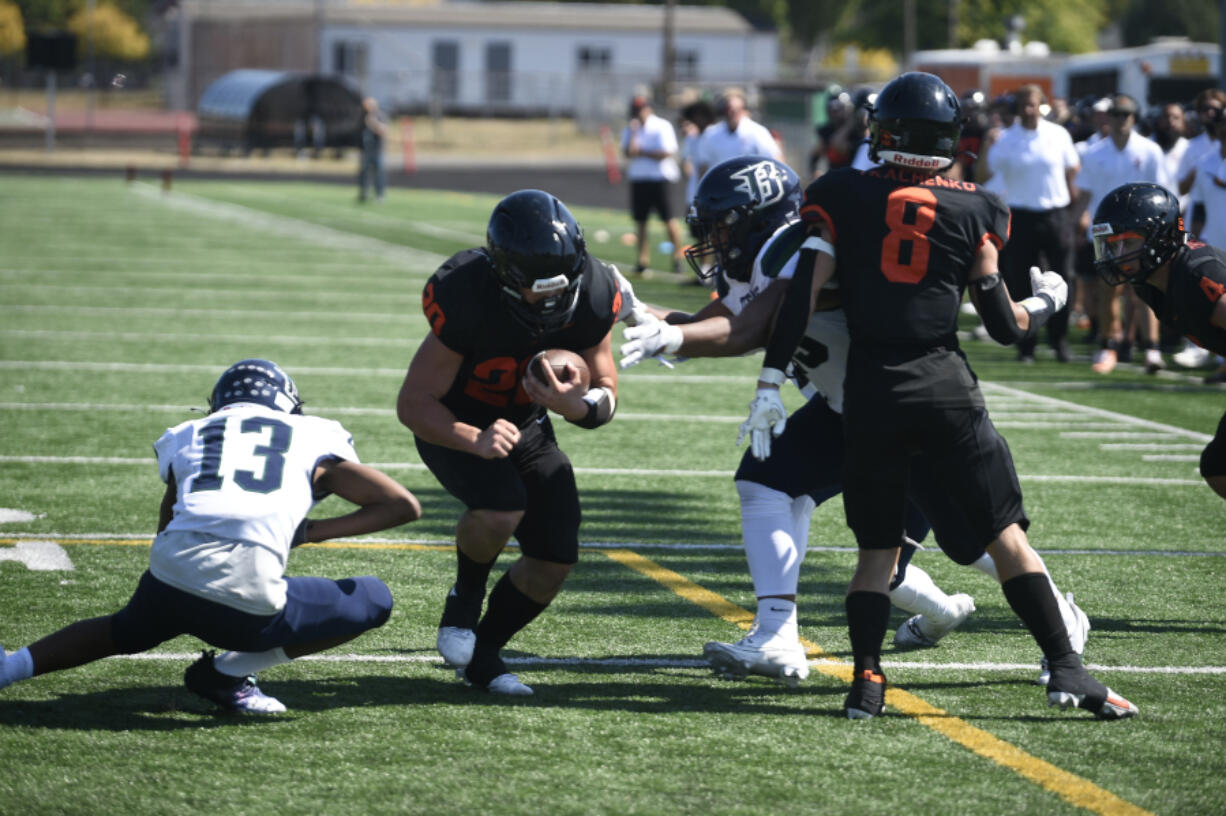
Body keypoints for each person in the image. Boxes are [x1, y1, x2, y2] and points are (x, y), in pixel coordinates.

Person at [742, 72, 1137, 721]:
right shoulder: (978, 208)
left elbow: (800, 300)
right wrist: (1046, 301)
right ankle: (1068, 670)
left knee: (877, 554)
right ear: (952, 139)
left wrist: (768, 382)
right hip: (946, 390)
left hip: (871, 393)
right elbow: (1005, 327)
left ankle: (866, 682)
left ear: (884, 132)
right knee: (1006, 539)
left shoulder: (839, 193)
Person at [621, 155, 1088, 686]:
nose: (716, 238)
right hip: (847, 410)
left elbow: (749, 328)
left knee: (971, 539)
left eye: (723, 224)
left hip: (901, 415)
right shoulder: (765, 258)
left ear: (759, 217)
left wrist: (673, 335)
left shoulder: (800, 249)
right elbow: (720, 321)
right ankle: (777, 633)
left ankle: (1058, 618)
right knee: (766, 482)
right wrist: (639, 312)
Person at [0, 359, 422, 713]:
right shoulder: (315, 435)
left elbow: (166, 522)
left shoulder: (188, 434)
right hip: (248, 602)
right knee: (372, 599)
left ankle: (12, 666)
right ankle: (227, 674)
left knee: (123, 630)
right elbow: (402, 504)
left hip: (169, 575)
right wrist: (309, 532)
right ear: (289, 404)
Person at [396, 189, 621, 696]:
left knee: (556, 556)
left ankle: (485, 655)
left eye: (559, 289)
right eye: (536, 290)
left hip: (528, 422)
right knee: (501, 507)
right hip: (456, 421)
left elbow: (606, 390)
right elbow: (414, 403)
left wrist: (577, 407)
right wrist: (473, 438)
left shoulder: (594, 289)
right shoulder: (468, 292)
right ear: (503, 275)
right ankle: (466, 593)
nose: (549, 301)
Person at [1092, 182, 1226, 498]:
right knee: (1219, 466)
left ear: (1160, 238)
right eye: (1111, 244)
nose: (1116, 254)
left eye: (1125, 243)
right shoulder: (1151, 282)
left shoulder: (1196, 274)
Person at [980, 84, 1080, 364]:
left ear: (1041, 106)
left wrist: (1076, 210)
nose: (1028, 110)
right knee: (1020, 280)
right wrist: (988, 145)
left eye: (1033, 104)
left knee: (1064, 277)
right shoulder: (1005, 138)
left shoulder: (1058, 135)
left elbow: (1073, 171)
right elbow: (984, 174)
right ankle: (1027, 345)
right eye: (1023, 104)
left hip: (1055, 214)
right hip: (1019, 216)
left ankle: (1060, 341)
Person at [1077, 94, 1168, 374]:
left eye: (1125, 114)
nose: (1120, 119)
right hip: (1106, 230)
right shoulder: (1094, 153)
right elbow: (1085, 193)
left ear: (1134, 117)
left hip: (1142, 230)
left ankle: (1151, 349)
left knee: (1144, 291)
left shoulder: (1150, 150)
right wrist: (1080, 219)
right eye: (1115, 114)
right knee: (1109, 289)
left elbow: (1162, 191)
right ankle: (1108, 345)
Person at [620, 95, 685, 275]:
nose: (638, 114)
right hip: (639, 179)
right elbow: (627, 152)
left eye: (640, 109)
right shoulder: (631, 129)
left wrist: (641, 152)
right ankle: (642, 260)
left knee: (668, 219)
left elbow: (666, 152)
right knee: (641, 221)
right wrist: (634, 135)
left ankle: (677, 257)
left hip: (660, 178)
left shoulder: (661, 126)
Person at [694, 89, 782, 182]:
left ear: (743, 110)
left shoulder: (758, 132)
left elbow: (776, 161)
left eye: (736, 110)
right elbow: (703, 166)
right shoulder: (711, 134)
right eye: (728, 109)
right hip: (720, 190)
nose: (731, 113)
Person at [358, 97, 387, 203]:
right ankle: (364, 193)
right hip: (365, 148)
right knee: (364, 172)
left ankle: (379, 195)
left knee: (378, 172)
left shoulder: (379, 115)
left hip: (376, 149)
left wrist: (374, 122)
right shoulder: (362, 116)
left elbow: (383, 130)